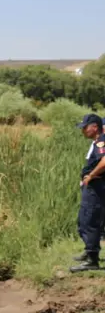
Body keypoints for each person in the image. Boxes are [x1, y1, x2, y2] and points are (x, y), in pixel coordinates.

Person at [71, 113, 105, 272]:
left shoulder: (101, 141)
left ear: (95, 127)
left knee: (89, 220)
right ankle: (90, 252)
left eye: (85, 127)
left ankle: (92, 260)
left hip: (96, 187)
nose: (83, 130)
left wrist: (91, 175)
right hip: (93, 186)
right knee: (85, 220)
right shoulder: (98, 141)